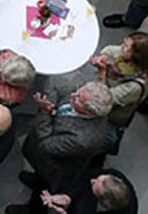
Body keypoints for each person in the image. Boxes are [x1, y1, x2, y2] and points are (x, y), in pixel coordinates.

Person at [15, 80, 113, 213]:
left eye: (78, 99)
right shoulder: (85, 93)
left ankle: (33, 209)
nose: (73, 95)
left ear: (89, 112)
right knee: (39, 177)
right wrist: (51, 106)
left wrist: (45, 113)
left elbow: (45, 145)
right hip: (42, 153)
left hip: (54, 167)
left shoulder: (83, 139)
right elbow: (58, 88)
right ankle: (35, 178)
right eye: (78, 91)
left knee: (45, 190)